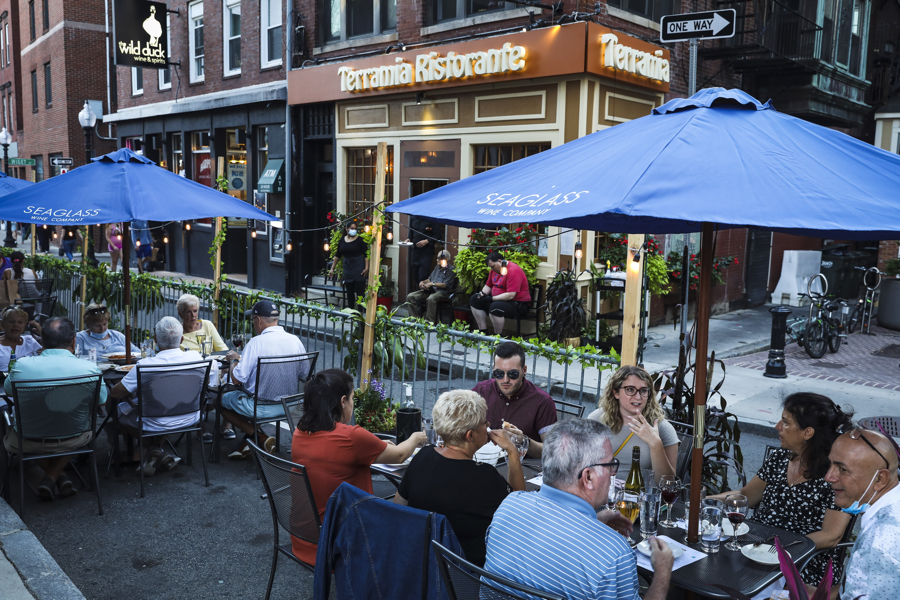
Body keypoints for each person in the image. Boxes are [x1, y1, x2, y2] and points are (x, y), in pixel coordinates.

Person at [484, 419, 673, 600]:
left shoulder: (508, 506)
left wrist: (593, 521)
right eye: (610, 465)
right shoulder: (614, 554)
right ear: (588, 477)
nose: (613, 473)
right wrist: (663, 573)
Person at [709, 393, 854, 586]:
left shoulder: (835, 474)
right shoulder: (780, 458)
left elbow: (831, 536)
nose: (777, 426)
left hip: (804, 560)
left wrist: (782, 549)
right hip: (756, 546)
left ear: (807, 433)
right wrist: (706, 499)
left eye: (785, 422)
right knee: (710, 561)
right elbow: (746, 496)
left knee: (728, 576)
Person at [291, 368, 425, 565]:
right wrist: (417, 437)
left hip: (304, 538)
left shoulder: (299, 432)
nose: (353, 404)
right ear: (342, 401)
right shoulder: (351, 437)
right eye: (353, 398)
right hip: (341, 542)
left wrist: (376, 447)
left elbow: (336, 457)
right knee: (415, 521)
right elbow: (400, 455)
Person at [392, 390, 524, 567]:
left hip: (419, 561)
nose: (489, 425)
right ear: (470, 435)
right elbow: (519, 509)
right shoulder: (484, 477)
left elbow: (397, 508)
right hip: (466, 573)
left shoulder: (423, 456)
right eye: (485, 423)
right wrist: (512, 452)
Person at [3, 317, 107, 500]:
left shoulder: (22, 366)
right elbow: (102, 400)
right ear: (74, 341)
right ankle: (57, 476)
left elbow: (9, 390)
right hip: (75, 436)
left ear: (42, 341)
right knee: (70, 423)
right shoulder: (90, 369)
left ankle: (52, 476)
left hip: (28, 439)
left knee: (11, 424)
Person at [109, 317, 207, 475]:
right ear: (181, 339)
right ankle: (158, 451)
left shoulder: (145, 365)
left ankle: (154, 450)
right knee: (168, 402)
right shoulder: (197, 359)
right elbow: (207, 381)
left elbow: (116, 393)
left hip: (153, 421)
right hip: (190, 417)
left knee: (122, 415)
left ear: (155, 339)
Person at [220, 300, 310, 458]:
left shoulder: (256, 343)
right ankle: (251, 440)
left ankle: (259, 437)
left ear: (258, 320)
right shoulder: (295, 340)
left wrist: (234, 360)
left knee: (221, 401)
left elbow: (236, 380)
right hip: (291, 406)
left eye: (253, 320)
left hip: (260, 407)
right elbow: (305, 375)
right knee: (253, 393)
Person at [826, 428, 899, 599]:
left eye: (842, 469)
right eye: (830, 465)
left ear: (880, 479)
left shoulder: (880, 545)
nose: (828, 476)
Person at [588, 365, 678, 483]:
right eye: (630, 389)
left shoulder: (661, 428)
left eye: (643, 391)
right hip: (599, 494)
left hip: (639, 497)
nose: (638, 397)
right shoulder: (597, 420)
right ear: (615, 393)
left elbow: (668, 483)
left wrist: (655, 444)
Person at [472, 342, 556, 458]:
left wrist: (524, 441)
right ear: (493, 369)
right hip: (484, 460)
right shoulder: (481, 391)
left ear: (524, 370)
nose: (505, 380)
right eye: (499, 373)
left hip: (525, 468)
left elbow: (552, 452)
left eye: (513, 374)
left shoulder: (542, 401)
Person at [469, 251, 531, 336]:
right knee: (475, 299)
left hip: (518, 304)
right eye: (490, 267)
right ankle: (483, 332)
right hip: (499, 300)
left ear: (500, 261)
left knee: (495, 308)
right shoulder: (494, 270)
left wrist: (491, 299)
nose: (492, 269)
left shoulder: (513, 270)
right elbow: (488, 286)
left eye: (493, 266)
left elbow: (510, 295)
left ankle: (497, 337)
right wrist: (482, 294)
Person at [405, 249, 457, 323]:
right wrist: (422, 282)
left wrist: (432, 284)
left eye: (439, 258)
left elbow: (445, 285)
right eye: (437, 258)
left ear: (446, 259)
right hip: (431, 290)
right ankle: (414, 320)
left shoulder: (451, 270)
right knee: (411, 296)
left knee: (431, 298)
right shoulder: (437, 268)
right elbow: (429, 279)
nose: (437, 260)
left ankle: (429, 322)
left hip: (442, 292)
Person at [75, 303, 139, 358]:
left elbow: (137, 352)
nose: (102, 328)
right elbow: (77, 359)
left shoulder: (117, 336)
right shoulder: (80, 338)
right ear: (88, 325)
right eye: (97, 325)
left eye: (105, 324)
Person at [328, 223, 368, 311]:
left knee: (360, 291)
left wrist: (366, 268)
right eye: (352, 228)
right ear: (347, 229)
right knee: (349, 291)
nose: (354, 230)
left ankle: (360, 311)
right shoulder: (342, 240)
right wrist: (332, 268)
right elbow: (337, 255)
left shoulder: (360, 240)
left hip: (358, 266)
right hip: (347, 267)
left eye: (355, 228)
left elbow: (366, 255)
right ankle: (351, 311)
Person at [0, 306, 42, 372]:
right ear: (2, 324)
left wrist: (43, 334)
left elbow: (48, 358)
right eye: (11, 322)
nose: (16, 325)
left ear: (25, 325)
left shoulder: (29, 341)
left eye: (20, 322)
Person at [405, 216, 439, 284]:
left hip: (427, 252)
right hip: (415, 252)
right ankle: (418, 293)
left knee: (422, 276)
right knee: (415, 275)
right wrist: (408, 239)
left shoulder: (431, 218)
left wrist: (426, 241)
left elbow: (438, 235)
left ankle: (424, 293)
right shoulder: (413, 218)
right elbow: (411, 232)